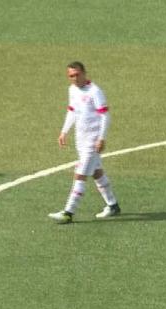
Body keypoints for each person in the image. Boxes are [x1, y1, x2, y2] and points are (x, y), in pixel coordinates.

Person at [48, 61, 120, 224]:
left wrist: (101, 138)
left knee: (80, 175)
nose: (74, 78)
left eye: (77, 74)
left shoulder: (95, 91)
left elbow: (105, 116)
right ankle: (113, 205)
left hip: (92, 141)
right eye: (71, 76)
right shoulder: (72, 90)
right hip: (80, 139)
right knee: (96, 172)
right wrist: (64, 131)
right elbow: (72, 111)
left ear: (84, 73)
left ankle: (68, 212)